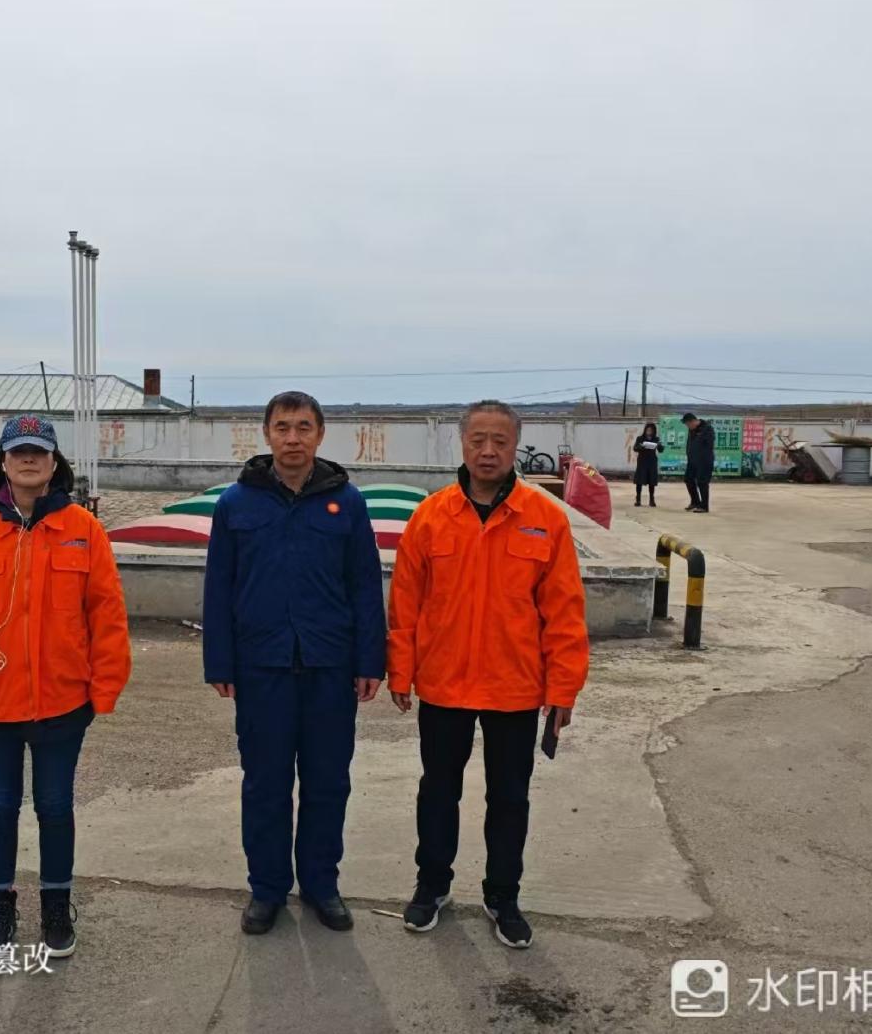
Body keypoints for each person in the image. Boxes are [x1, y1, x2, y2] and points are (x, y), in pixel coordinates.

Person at [0, 414, 131, 959]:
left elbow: (107, 614)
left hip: (63, 701)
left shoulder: (83, 530)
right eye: (19, 452)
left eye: (39, 451)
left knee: (56, 806)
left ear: (55, 462)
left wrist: (105, 687)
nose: (30, 460)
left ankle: (56, 906)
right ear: (4, 462)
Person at [386, 400, 589, 949]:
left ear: (515, 446)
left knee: (509, 799)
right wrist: (400, 671)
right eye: (478, 440)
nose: (488, 451)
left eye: (500, 441)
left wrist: (563, 688)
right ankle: (432, 885)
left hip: (515, 687)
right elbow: (406, 602)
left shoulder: (544, 518)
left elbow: (565, 612)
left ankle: (503, 896)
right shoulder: (432, 516)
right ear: (463, 444)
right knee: (437, 792)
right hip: (445, 683)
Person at [203, 390, 386, 935]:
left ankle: (322, 885)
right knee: (265, 784)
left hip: (330, 667)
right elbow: (219, 587)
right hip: (262, 667)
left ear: (320, 435)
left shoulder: (346, 503)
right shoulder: (236, 504)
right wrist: (220, 662)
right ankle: (267, 890)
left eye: (304, 427)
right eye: (282, 427)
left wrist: (370, 660)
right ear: (267, 434)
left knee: (328, 782)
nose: (292, 438)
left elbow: (364, 586)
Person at [682, 412, 716, 513]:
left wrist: (701, 455)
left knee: (702, 482)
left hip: (704, 460)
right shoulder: (691, 430)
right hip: (692, 460)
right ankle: (695, 502)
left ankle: (704, 506)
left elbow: (709, 444)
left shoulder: (707, 429)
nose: (688, 427)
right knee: (688, 479)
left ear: (693, 421)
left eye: (688, 424)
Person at [633, 422, 662, 507]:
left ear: (654, 431)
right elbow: (635, 448)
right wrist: (641, 446)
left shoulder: (656, 439)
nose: (649, 432)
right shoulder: (640, 438)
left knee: (651, 481)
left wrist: (659, 446)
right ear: (645, 430)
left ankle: (652, 500)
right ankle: (638, 499)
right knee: (639, 480)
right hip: (642, 461)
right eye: (648, 430)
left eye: (651, 430)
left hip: (652, 461)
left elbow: (661, 450)